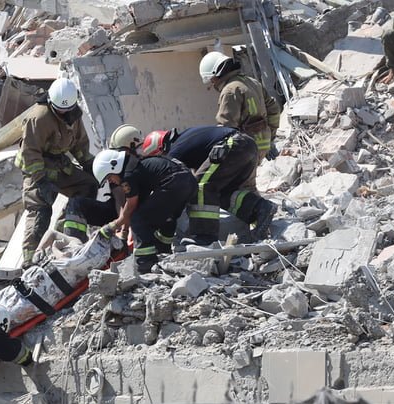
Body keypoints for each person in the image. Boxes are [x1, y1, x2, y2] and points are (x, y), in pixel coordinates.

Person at [140, 126, 276, 244]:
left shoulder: (175, 150)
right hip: (246, 146)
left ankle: (204, 236)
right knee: (221, 193)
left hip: (232, 146)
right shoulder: (185, 140)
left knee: (200, 186)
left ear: (161, 149)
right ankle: (260, 208)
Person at [16, 78, 97, 268]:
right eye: (59, 109)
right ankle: (30, 261)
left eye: (66, 109)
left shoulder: (73, 115)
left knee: (88, 185)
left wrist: (90, 166)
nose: (63, 113)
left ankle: (67, 235)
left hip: (59, 165)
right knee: (40, 209)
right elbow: (30, 152)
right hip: (35, 168)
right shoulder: (39, 118)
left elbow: (79, 144)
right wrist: (41, 182)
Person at [92, 149, 197, 273]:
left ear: (114, 166)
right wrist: (124, 232)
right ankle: (163, 252)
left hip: (173, 183)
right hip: (188, 182)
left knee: (139, 219)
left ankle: (145, 263)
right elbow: (135, 206)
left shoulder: (128, 176)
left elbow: (130, 207)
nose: (111, 182)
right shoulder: (136, 167)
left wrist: (111, 226)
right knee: (167, 218)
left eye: (109, 177)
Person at [198, 51, 282, 167]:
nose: (212, 84)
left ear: (216, 75)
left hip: (245, 150)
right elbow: (274, 110)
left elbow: (226, 128)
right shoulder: (253, 82)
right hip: (262, 145)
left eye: (211, 80)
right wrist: (270, 139)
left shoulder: (230, 91)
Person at [63, 124, 143, 242]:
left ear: (130, 147)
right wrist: (120, 226)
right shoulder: (116, 168)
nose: (117, 154)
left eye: (119, 150)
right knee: (77, 203)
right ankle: (73, 244)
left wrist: (125, 228)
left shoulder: (143, 164)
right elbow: (120, 200)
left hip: (140, 213)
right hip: (120, 213)